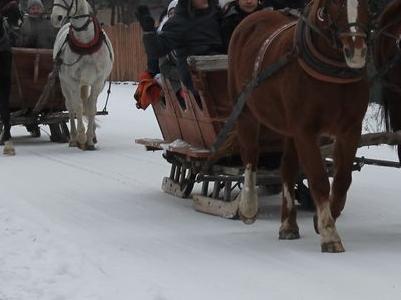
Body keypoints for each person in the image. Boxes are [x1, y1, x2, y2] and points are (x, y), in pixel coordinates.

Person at [136, 0, 224, 95]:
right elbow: (158, 49)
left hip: (225, 72)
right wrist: (149, 32)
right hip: (199, 82)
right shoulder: (180, 21)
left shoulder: (217, 14)